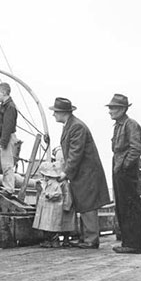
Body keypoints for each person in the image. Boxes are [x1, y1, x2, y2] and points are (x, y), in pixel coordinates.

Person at [49, 97, 111, 249]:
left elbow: (75, 153)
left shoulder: (76, 127)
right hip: (82, 173)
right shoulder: (71, 125)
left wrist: (66, 173)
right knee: (83, 204)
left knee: (88, 204)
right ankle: (85, 237)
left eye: (55, 112)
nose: (53, 115)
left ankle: (91, 239)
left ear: (62, 112)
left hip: (86, 173)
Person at [107, 93, 141, 254]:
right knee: (122, 206)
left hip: (125, 171)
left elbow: (137, 148)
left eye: (113, 108)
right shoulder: (119, 125)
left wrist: (126, 166)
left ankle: (134, 244)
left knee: (130, 206)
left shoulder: (131, 124)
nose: (110, 111)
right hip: (119, 169)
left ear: (122, 109)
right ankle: (128, 242)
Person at [32, 160, 78, 248]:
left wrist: (66, 206)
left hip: (63, 207)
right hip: (59, 207)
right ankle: (60, 240)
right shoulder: (54, 183)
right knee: (58, 225)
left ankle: (64, 240)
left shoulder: (62, 184)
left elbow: (66, 195)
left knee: (64, 226)